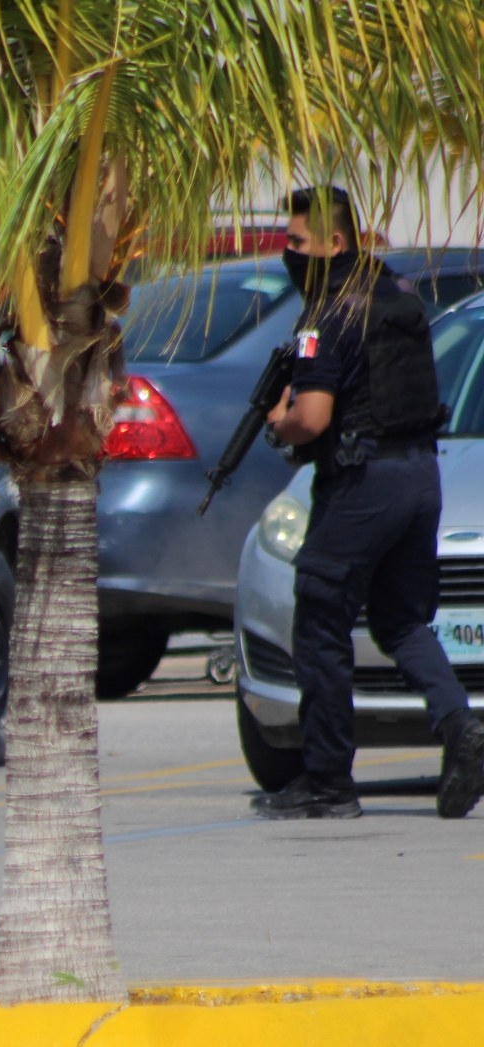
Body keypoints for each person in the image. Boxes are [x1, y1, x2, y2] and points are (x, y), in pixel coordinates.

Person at [256, 185, 484, 820]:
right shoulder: (398, 295)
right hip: (420, 476)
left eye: (297, 243)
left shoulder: (329, 312)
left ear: (334, 243)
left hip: (364, 484)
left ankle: (328, 780)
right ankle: (459, 726)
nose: (290, 255)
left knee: (320, 621)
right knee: (402, 621)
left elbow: (313, 418)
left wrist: (280, 421)